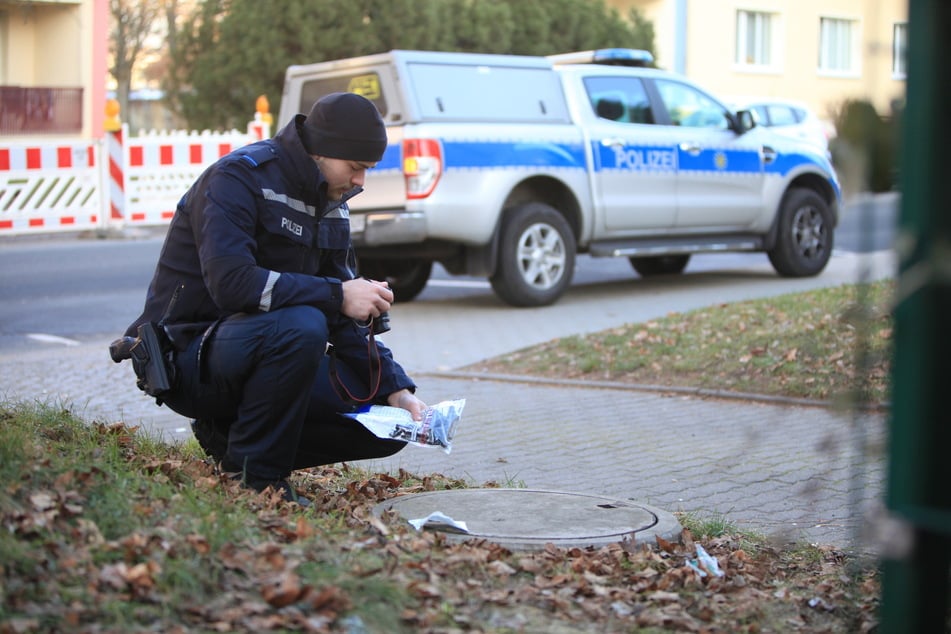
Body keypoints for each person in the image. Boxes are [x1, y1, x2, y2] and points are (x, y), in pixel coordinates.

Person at [119, 92, 425, 505]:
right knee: (302, 325)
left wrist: (396, 389)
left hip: (260, 349)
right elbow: (232, 284)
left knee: (385, 423)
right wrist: (336, 295)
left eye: (367, 170)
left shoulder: (332, 202)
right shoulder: (237, 178)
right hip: (189, 358)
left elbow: (344, 317)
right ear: (320, 150)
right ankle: (256, 479)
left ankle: (233, 441)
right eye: (356, 168)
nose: (360, 183)